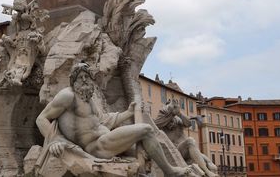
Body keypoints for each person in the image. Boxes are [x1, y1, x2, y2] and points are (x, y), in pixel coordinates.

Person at [36, 62, 192, 177]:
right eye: (80, 77)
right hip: (97, 146)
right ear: (73, 81)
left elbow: (104, 120)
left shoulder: (87, 97)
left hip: (106, 140)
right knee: (147, 130)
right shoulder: (67, 96)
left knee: (148, 151)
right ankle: (170, 172)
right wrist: (54, 140)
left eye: (87, 77)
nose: (84, 80)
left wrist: (129, 112)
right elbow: (41, 118)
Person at [155, 99, 218, 177]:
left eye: (175, 107)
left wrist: (179, 113)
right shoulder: (162, 118)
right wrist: (170, 113)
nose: (173, 108)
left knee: (197, 150)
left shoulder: (178, 118)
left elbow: (188, 124)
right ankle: (207, 171)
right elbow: (156, 125)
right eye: (171, 107)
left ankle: (208, 167)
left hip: (186, 149)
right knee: (190, 141)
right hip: (175, 151)